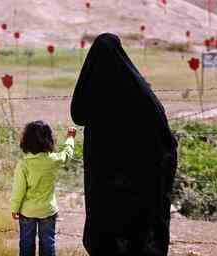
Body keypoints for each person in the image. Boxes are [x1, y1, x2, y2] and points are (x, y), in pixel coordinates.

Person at [71, 33, 177, 256]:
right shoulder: (141, 93)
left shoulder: (94, 97)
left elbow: (77, 114)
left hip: (106, 186)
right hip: (139, 185)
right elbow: (165, 142)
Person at [11, 120, 76, 256]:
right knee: (48, 244)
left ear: (26, 141)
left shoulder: (23, 165)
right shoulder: (53, 160)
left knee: (26, 244)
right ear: (49, 140)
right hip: (48, 211)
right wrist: (70, 138)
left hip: (27, 212)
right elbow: (67, 155)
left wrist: (14, 208)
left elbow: (19, 190)